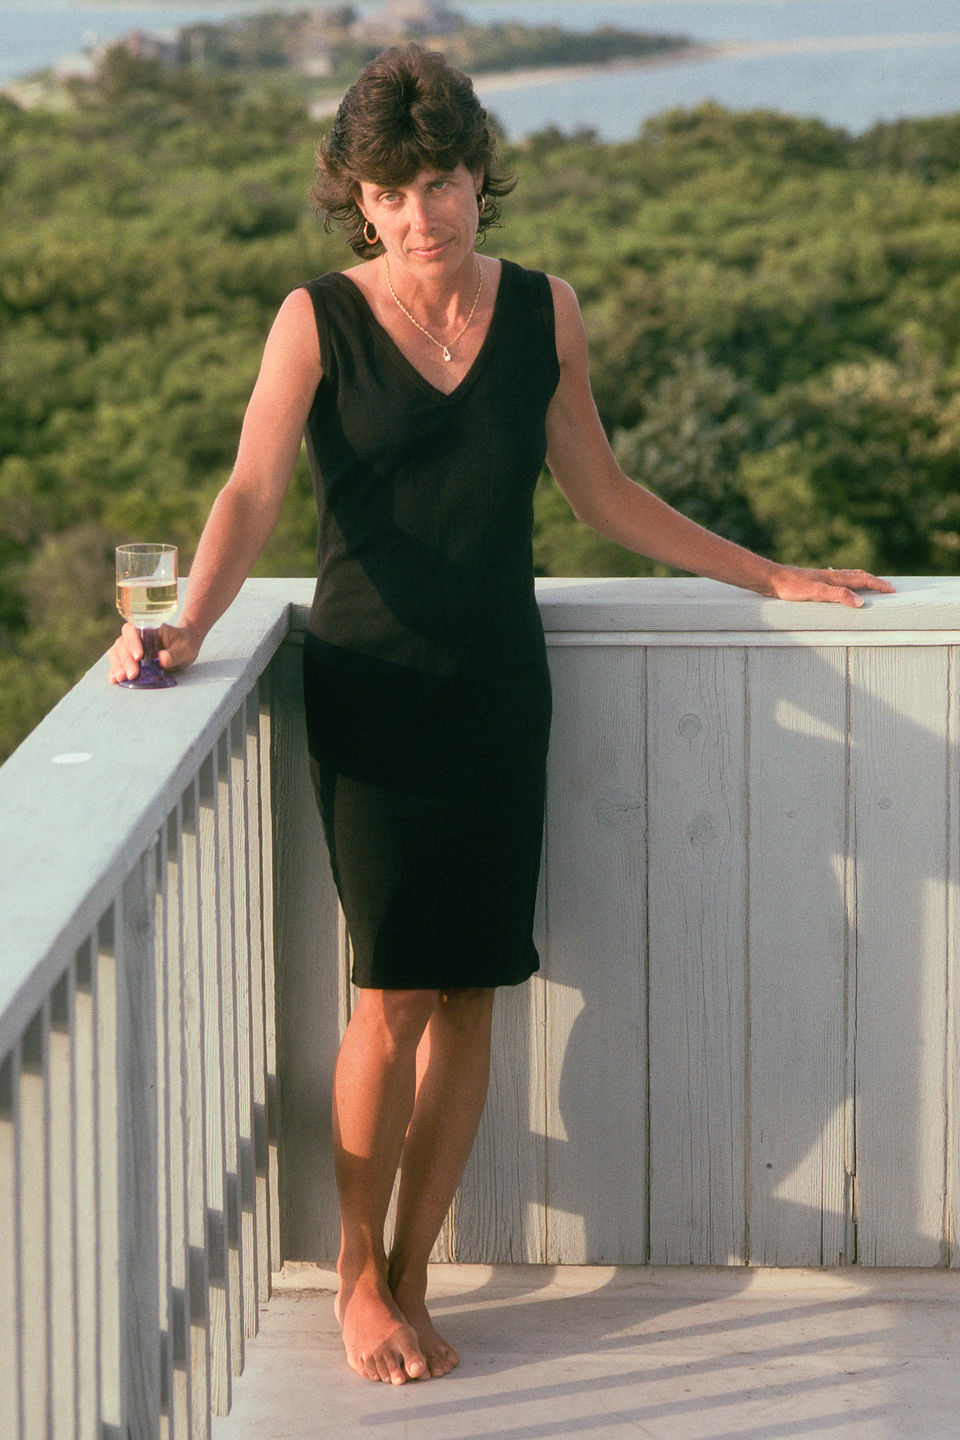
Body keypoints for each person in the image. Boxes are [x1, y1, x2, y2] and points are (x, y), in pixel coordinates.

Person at [108, 44, 894, 1386]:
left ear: (480, 177)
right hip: (373, 692)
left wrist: (767, 573)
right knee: (392, 993)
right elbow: (250, 492)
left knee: (472, 993)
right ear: (359, 200)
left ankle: (417, 1271)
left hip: (496, 690)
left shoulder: (544, 310)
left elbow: (602, 493)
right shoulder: (316, 319)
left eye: (442, 183)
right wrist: (184, 625)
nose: (421, 214)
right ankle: (359, 1277)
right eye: (391, 192)